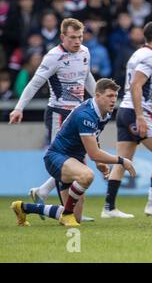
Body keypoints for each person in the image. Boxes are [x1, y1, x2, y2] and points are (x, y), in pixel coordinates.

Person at [11, 79, 136, 227]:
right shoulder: (86, 115)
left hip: (72, 160)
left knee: (76, 218)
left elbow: (94, 137)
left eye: (115, 95)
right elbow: (94, 153)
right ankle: (66, 213)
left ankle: (23, 207)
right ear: (97, 95)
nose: (113, 100)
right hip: (56, 157)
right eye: (109, 96)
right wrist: (122, 161)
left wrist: (99, 162)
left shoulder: (104, 114)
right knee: (87, 175)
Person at [8, 18, 97, 222]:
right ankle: (67, 211)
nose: (77, 41)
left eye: (80, 37)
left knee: (79, 161)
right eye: (72, 37)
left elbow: (87, 78)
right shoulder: (53, 57)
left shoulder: (85, 52)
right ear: (62, 37)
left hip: (79, 114)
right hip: (59, 114)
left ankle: (43, 192)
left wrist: (99, 100)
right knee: (63, 160)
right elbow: (34, 83)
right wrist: (18, 108)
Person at [101, 21, 152, 219]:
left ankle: (109, 208)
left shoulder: (137, 53)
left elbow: (135, 88)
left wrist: (151, 107)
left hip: (126, 110)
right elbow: (136, 86)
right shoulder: (150, 56)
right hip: (135, 112)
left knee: (122, 161)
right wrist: (142, 115)